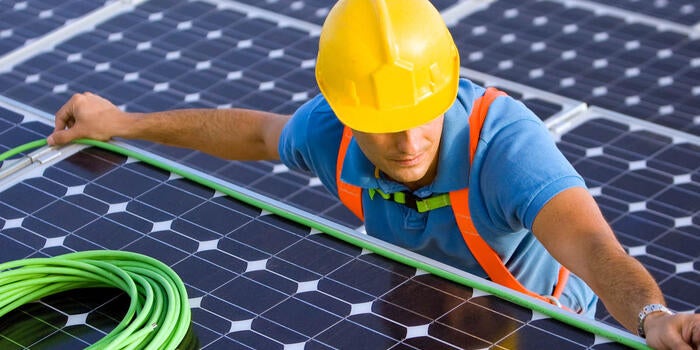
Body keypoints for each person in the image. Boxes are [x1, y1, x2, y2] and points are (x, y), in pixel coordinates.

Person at [46, 0, 699, 348]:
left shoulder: (506, 148)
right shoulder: (327, 133)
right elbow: (253, 132)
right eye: (383, 122)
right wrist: (123, 123)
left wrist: (651, 317)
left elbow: (591, 244)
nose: (409, 142)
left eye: (423, 116)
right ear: (345, 111)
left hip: (532, 327)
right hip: (419, 302)